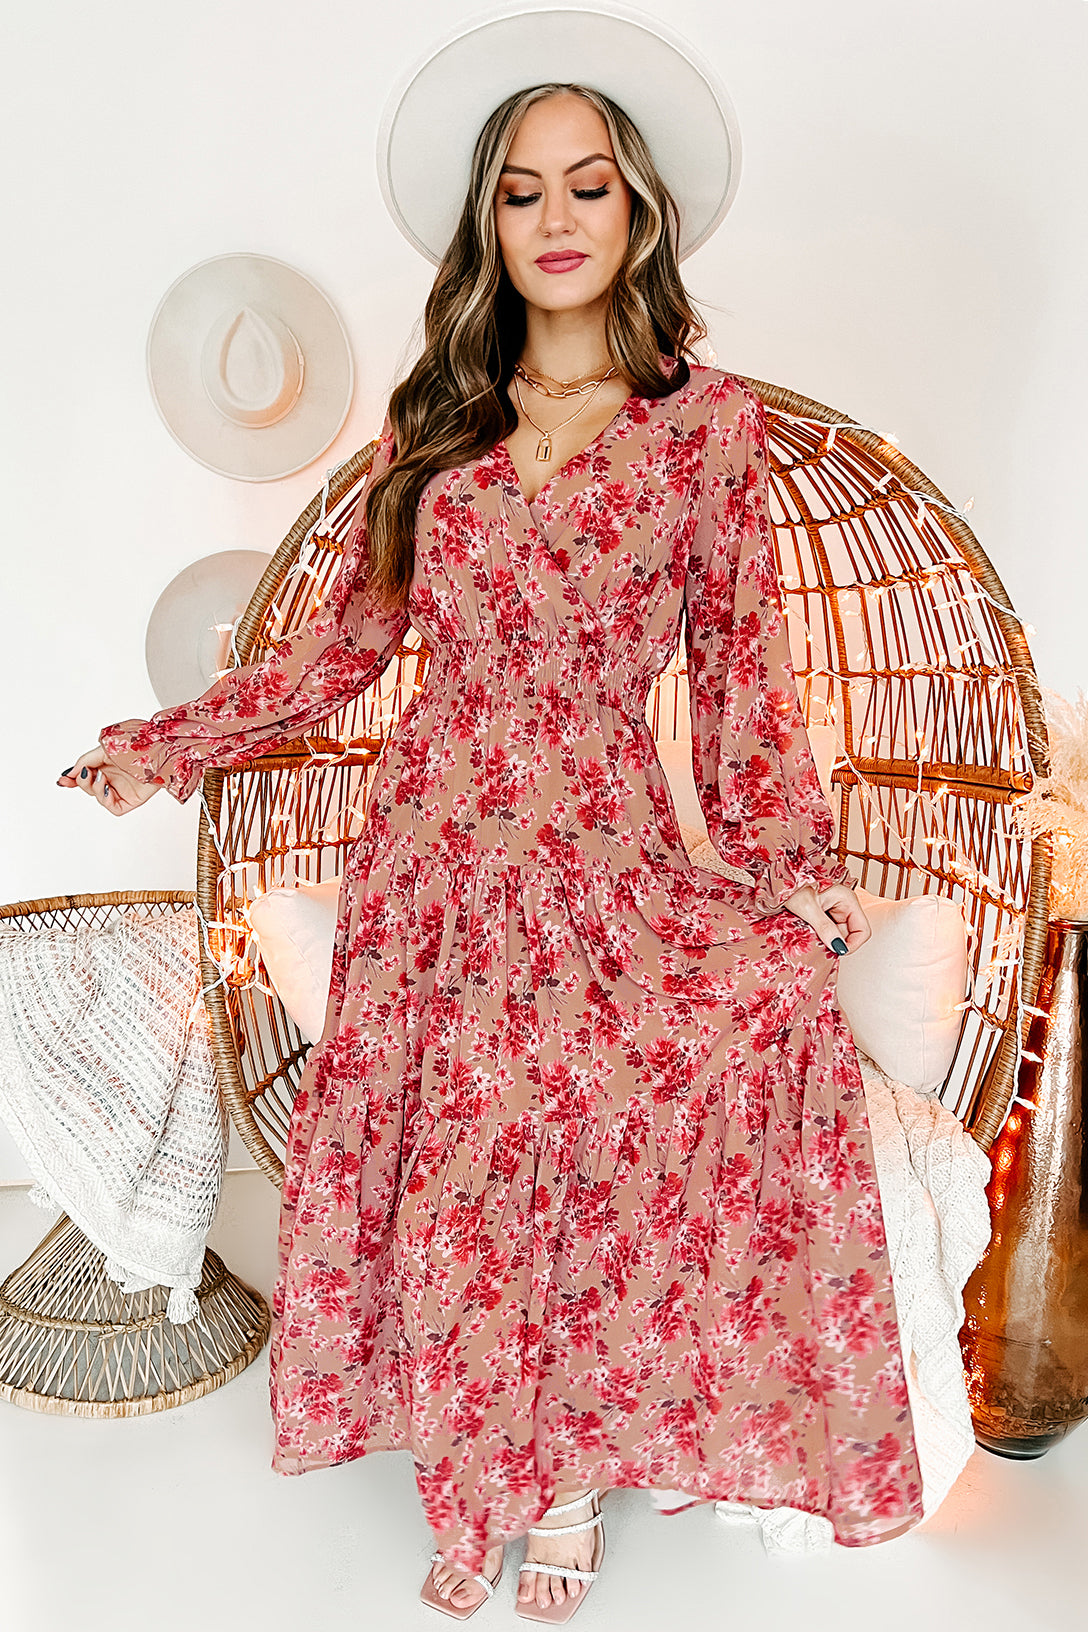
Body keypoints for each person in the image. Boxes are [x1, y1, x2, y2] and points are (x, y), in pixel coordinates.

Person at [58, 59, 922, 1629]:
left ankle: (566, 1471)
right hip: (432, 866)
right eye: (522, 192)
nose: (556, 218)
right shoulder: (439, 423)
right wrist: (168, 747)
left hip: (604, 861)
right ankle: (476, 1481)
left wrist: (790, 871)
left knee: (581, 1165)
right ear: (486, 224)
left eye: (588, 185)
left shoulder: (707, 431)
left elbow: (741, 669)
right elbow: (343, 648)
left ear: (639, 211)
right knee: (457, 1183)